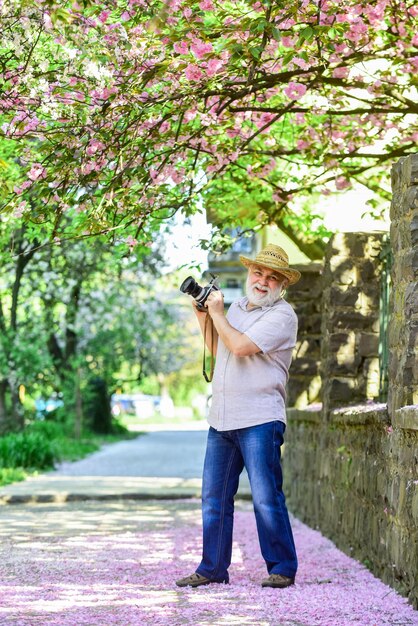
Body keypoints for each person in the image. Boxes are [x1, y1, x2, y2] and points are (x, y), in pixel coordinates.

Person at [176, 243, 301, 589]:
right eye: (258, 273)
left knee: (265, 496)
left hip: (260, 418)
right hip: (222, 418)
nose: (263, 281)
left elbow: (242, 347)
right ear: (250, 273)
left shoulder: (282, 315)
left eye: (272, 277)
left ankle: (282, 567)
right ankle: (213, 567)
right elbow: (219, 349)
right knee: (213, 498)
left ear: (282, 285)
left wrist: (217, 315)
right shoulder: (237, 308)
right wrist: (203, 315)